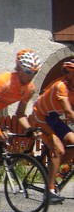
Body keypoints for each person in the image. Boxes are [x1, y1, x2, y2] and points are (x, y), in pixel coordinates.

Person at [28, 59, 74, 204]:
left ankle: (54, 168)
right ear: (69, 75)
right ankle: (49, 190)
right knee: (58, 149)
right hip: (39, 118)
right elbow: (67, 111)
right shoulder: (61, 86)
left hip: (52, 118)